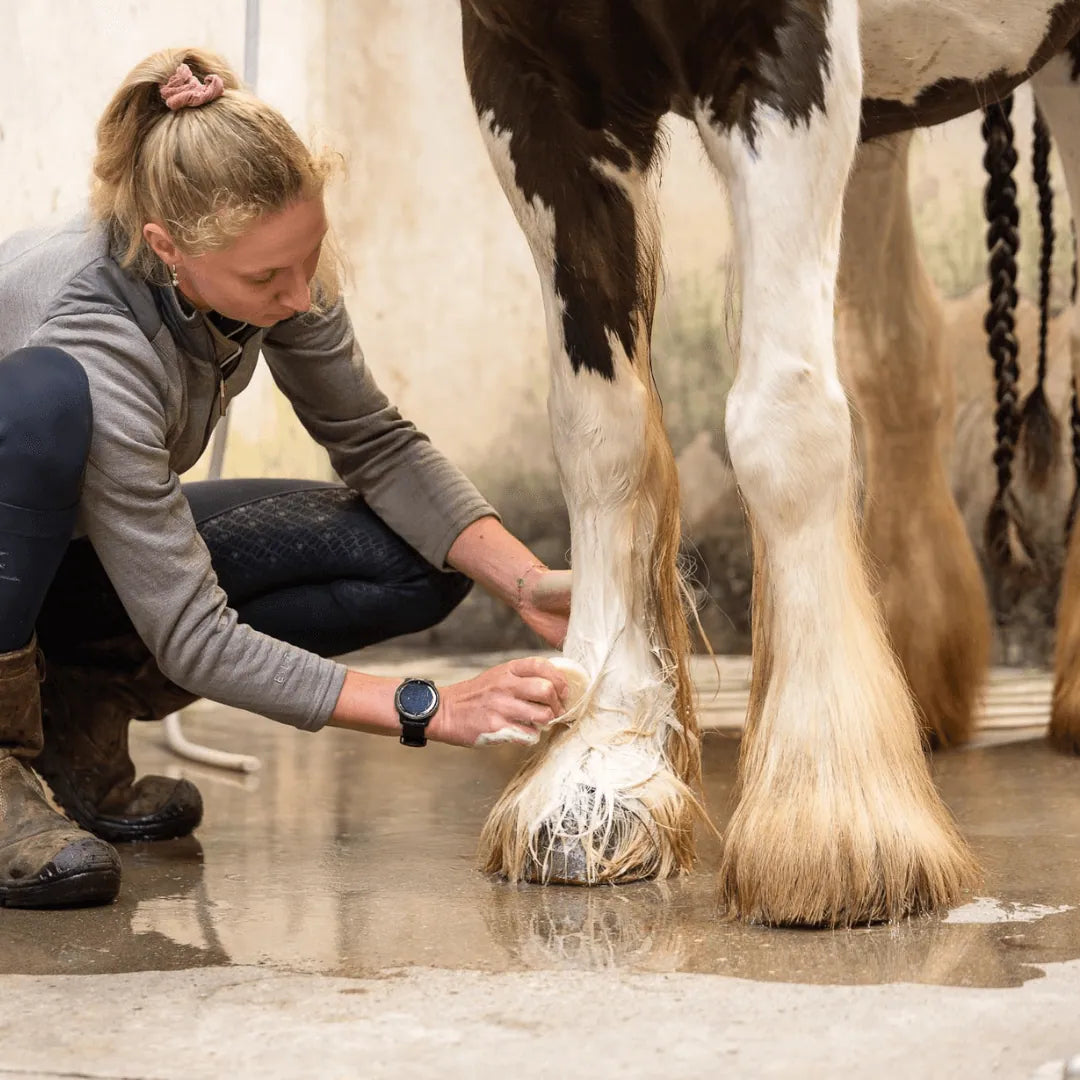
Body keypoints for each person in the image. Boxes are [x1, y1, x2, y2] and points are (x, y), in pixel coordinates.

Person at [0, 48, 574, 909]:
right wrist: (429, 707)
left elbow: (375, 442)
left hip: (65, 571)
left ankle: (75, 721)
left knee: (415, 559)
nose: (301, 295)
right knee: (44, 401)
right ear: (165, 249)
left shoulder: (268, 266)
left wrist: (524, 581)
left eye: (308, 256)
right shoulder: (89, 331)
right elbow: (194, 634)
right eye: (269, 277)